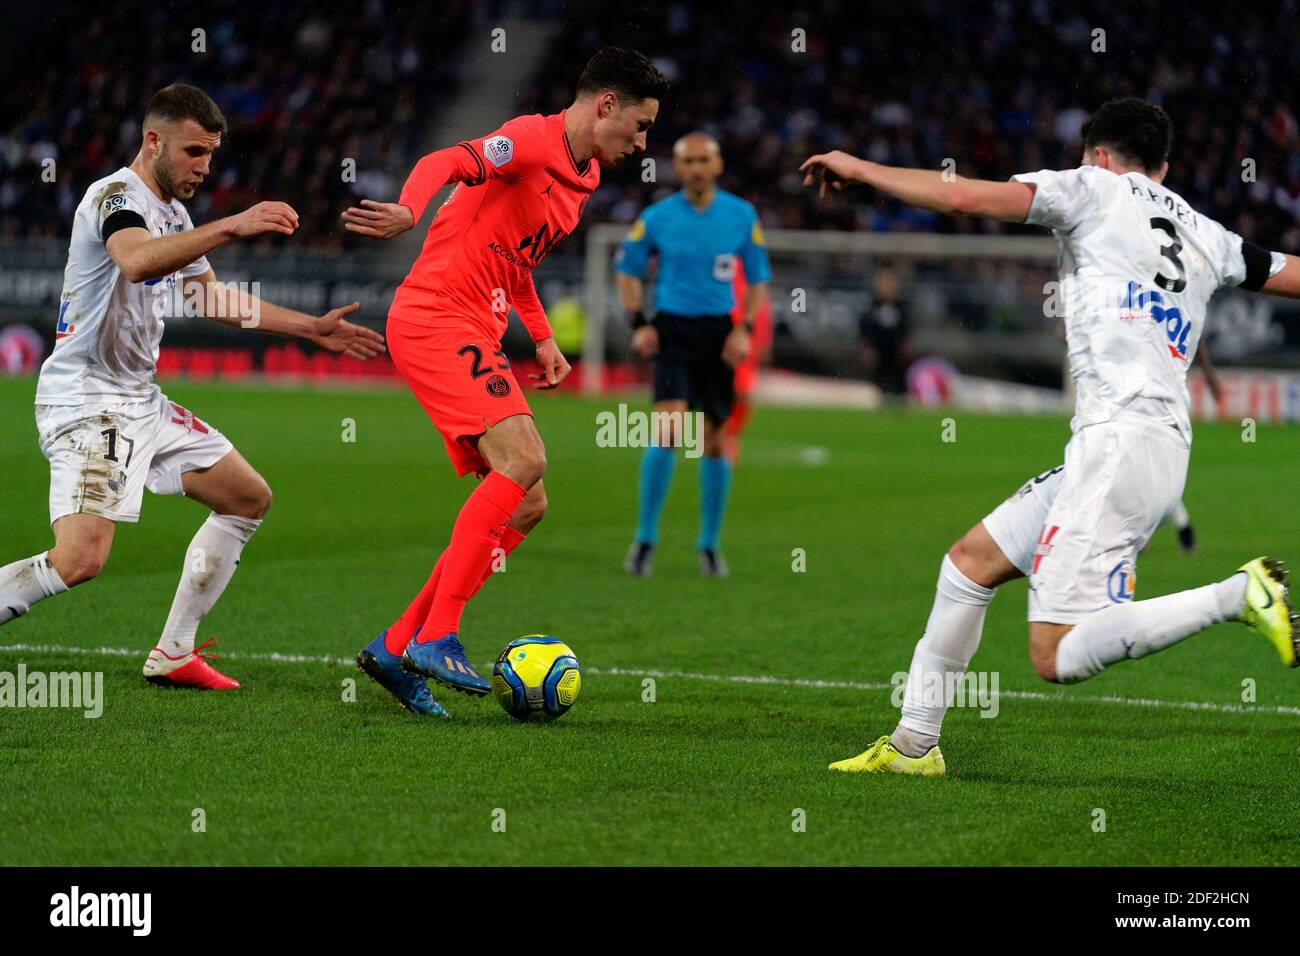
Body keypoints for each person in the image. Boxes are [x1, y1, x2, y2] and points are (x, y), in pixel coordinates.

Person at [800, 97, 1298, 775]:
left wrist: (862, 168)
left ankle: (1236, 595)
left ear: (1097, 154)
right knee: (970, 563)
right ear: (1166, 166)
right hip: (1143, 445)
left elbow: (967, 199)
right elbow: (1288, 271)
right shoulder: (1209, 233)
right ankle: (915, 745)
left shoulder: (1091, 187)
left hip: (1119, 444)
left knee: (1054, 653)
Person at [0, 84, 385, 689]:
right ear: (153, 140)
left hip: (141, 402)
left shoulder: (174, 215)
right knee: (80, 560)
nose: (204, 167)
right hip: (88, 403)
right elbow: (134, 260)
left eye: (210, 155)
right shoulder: (112, 198)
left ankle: (175, 651)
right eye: (194, 152)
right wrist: (234, 225)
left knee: (247, 497)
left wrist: (310, 328)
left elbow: (209, 297)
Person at [342, 48, 668, 716]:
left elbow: (516, 261)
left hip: (474, 328)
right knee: (524, 458)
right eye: (638, 126)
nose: (641, 143)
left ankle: (394, 645)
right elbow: (446, 161)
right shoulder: (528, 138)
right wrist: (409, 208)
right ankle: (438, 635)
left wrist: (542, 334)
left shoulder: (581, 180)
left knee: (528, 501)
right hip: (435, 315)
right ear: (605, 104)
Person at [618, 132, 771, 578]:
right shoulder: (657, 217)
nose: (697, 168)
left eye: (705, 160)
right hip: (672, 330)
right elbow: (627, 272)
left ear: (718, 165)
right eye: (689, 161)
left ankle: (709, 545)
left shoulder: (742, 216)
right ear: (679, 168)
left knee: (715, 441)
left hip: (720, 334)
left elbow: (759, 280)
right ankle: (645, 539)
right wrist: (639, 323)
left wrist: (743, 329)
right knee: (667, 428)